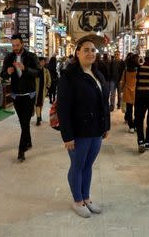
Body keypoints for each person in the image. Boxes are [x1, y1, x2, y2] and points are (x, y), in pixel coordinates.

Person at [57, 38, 110, 218]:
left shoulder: (98, 74)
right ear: (77, 52)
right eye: (86, 50)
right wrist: (67, 136)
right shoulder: (69, 76)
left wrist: (106, 126)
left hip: (96, 130)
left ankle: (86, 198)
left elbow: (104, 102)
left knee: (88, 165)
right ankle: (77, 200)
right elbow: (63, 108)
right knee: (78, 165)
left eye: (93, 50)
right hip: (79, 131)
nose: (90, 53)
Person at [0, 34, 40, 162]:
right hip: (16, 95)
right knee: (23, 121)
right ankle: (28, 141)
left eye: (17, 45)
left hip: (30, 94)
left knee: (25, 121)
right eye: (13, 45)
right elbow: (3, 75)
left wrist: (25, 69)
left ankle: (21, 150)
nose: (15, 47)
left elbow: (39, 72)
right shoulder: (9, 57)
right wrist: (8, 73)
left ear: (22, 44)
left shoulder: (31, 56)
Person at [121, 53, 139, 133]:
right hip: (137, 92)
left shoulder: (126, 70)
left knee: (129, 110)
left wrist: (121, 90)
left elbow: (123, 81)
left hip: (127, 91)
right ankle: (135, 125)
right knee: (137, 110)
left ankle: (131, 126)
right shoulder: (138, 70)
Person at [35, 57, 51, 126]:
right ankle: (38, 118)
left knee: (41, 104)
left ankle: (39, 115)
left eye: (43, 62)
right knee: (37, 104)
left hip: (43, 90)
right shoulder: (35, 70)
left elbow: (49, 81)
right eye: (40, 62)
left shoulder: (46, 71)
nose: (42, 63)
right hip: (36, 90)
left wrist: (47, 88)